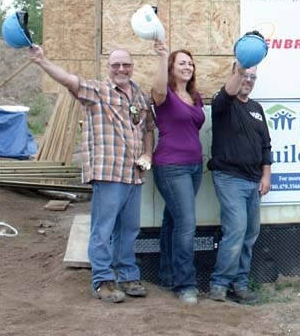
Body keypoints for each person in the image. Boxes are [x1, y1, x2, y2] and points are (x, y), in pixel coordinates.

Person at [29, 46, 153, 303]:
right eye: (116, 64)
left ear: (132, 66)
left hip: (133, 174)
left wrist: (148, 154)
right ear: (108, 67)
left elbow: (148, 128)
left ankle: (128, 275)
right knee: (103, 228)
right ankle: (103, 281)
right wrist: (42, 61)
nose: (121, 69)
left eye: (126, 65)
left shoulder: (140, 95)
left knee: (129, 229)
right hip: (108, 173)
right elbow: (69, 80)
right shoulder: (97, 91)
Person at [208, 61, 272, 304]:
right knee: (235, 230)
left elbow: (266, 145)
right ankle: (219, 283)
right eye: (245, 75)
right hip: (229, 178)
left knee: (249, 233)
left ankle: (240, 283)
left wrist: (266, 175)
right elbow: (227, 92)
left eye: (253, 77)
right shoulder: (223, 102)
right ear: (235, 74)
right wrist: (240, 66)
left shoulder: (256, 109)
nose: (248, 80)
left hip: (253, 180)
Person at [150, 42, 205, 305]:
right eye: (181, 62)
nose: (187, 67)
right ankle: (185, 284)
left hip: (194, 167)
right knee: (186, 223)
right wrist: (162, 57)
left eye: (190, 63)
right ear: (172, 68)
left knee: (173, 221)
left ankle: (168, 274)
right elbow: (158, 88)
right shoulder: (164, 95)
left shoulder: (195, 97)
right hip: (171, 166)